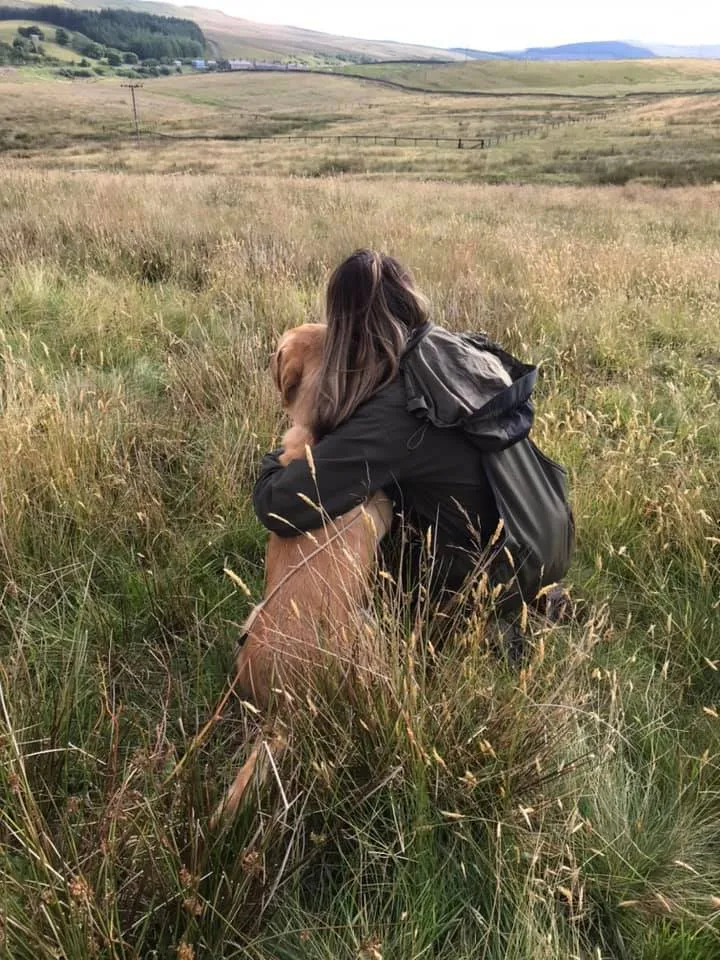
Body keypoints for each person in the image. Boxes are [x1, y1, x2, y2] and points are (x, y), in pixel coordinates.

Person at [253, 249, 574, 635]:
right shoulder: (456, 351)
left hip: (494, 573)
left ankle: (473, 625)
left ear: (344, 326)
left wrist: (284, 455)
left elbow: (282, 507)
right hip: (548, 543)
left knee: (356, 531)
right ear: (408, 299)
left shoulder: (400, 407)